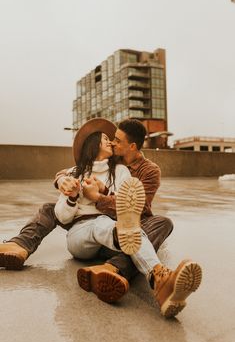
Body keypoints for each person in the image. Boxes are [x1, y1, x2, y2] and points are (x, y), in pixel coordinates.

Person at [0, 118, 202, 318]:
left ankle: (129, 271)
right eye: (107, 138)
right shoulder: (81, 170)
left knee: (148, 223)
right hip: (86, 231)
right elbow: (64, 193)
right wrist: (67, 189)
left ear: (131, 146)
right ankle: (18, 246)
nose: (112, 142)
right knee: (52, 209)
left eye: (116, 140)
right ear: (93, 144)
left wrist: (100, 194)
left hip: (123, 226)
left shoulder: (136, 171)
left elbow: (136, 206)